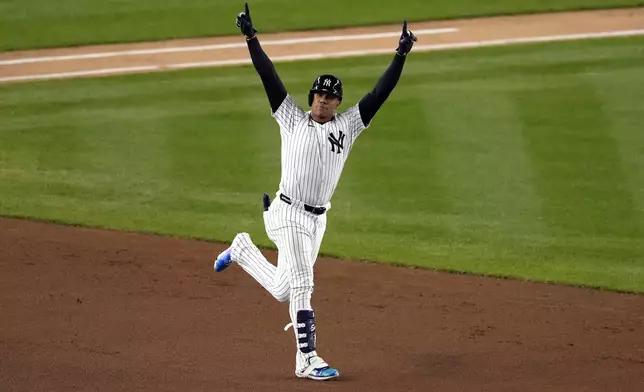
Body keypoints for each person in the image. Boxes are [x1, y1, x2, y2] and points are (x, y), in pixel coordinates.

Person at [213, 2, 417, 381]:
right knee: (305, 284)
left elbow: (379, 93)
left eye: (330, 96)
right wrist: (251, 38)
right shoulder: (290, 118)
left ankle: (242, 248)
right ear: (311, 98)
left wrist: (400, 54)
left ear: (338, 102)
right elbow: (268, 75)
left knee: (283, 290)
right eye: (318, 95)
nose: (323, 100)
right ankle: (306, 359)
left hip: (317, 221)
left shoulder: (349, 126)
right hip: (288, 212)